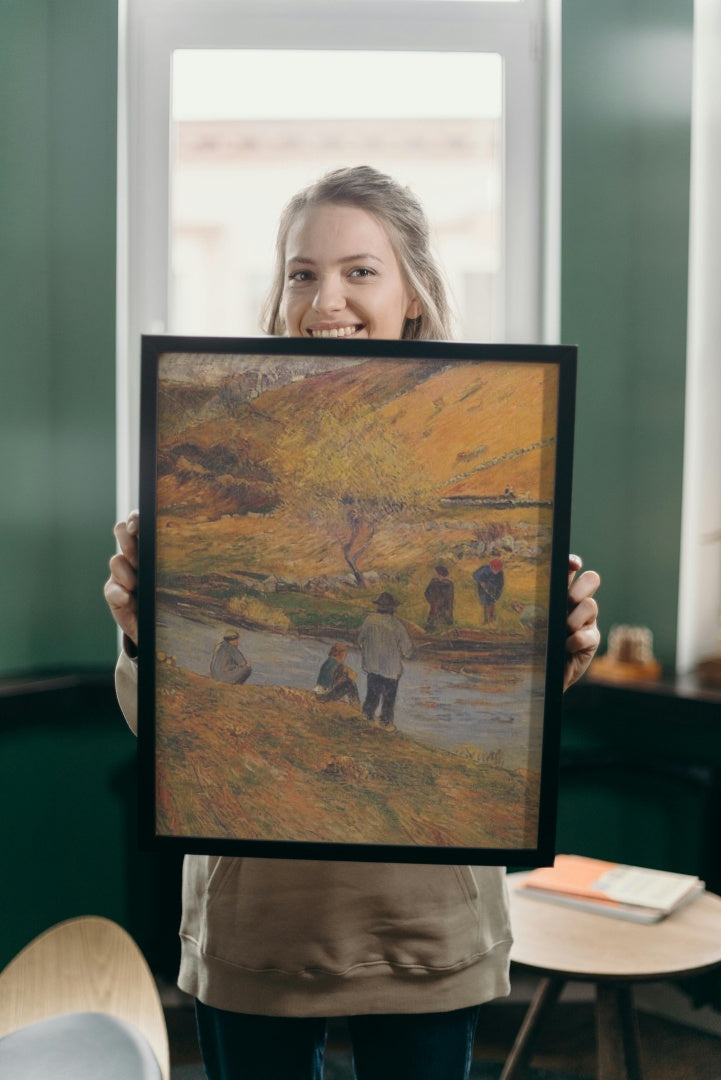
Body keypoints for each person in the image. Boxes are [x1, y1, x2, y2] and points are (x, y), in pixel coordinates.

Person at [105, 166, 601, 1080]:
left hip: (425, 926)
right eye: (301, 272)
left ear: (412, 292)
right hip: (256, 928)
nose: (324, 298)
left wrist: (559, 652)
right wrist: (143, 634)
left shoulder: (484, 441)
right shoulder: (209, 432)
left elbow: (513, 737)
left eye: (359, 271)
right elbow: (168, 731)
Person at [357, 591, 414, 732]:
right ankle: (385, 723)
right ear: (393, 608)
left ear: (379, 606)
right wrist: (411, 654)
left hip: (372, 667)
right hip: (391, 669)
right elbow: (407, 650)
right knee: (388, 700)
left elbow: (359, 641)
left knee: (372, 695)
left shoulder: (369, 620)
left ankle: (367, 718)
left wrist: (370, 652)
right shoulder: (396, 625)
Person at [473, 558, 505, 624]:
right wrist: (481, 582)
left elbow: (501, 583)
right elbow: (475, 575)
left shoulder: (500, 573)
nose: (497, 571)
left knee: (492, 602)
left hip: (494, 590)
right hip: (483, 590)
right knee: (485, 603)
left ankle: (491, 618)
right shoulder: (484, 570)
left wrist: (497, 591)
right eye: (495, 569)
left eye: (498, 569)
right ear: (491, 567)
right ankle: (486, 620)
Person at [424, 563, 455, 631]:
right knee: (431, 623)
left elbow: (450, 598)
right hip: (434, 606)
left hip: (444, 607)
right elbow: (426, 592)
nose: (435, 574)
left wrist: (449, 610)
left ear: (440, 574)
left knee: (444, 623)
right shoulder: (433, 582)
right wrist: (431, 601)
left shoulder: (449, 584)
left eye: (437, 573)